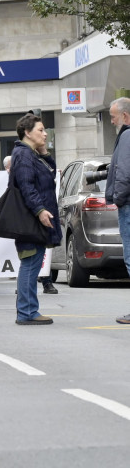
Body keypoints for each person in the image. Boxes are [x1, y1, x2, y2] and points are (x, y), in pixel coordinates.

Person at [10, 112, 61, 325]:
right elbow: (27, 186)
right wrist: (40, 210)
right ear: (27, 132)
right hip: (29, 220)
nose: (45, 134)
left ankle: (29, 310)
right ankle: (27, 312)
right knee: (30, 263)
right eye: (40, 130)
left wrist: (43, 151)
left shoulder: (32, 154)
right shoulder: (23, 155)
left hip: (34, 219)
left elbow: (49, 174)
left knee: (32, 262)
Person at [105, 97, 130, 323]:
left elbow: (124, 171)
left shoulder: (127, 136)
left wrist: (118, 198)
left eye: (113, 117)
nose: (112, 121)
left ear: (125, 115)